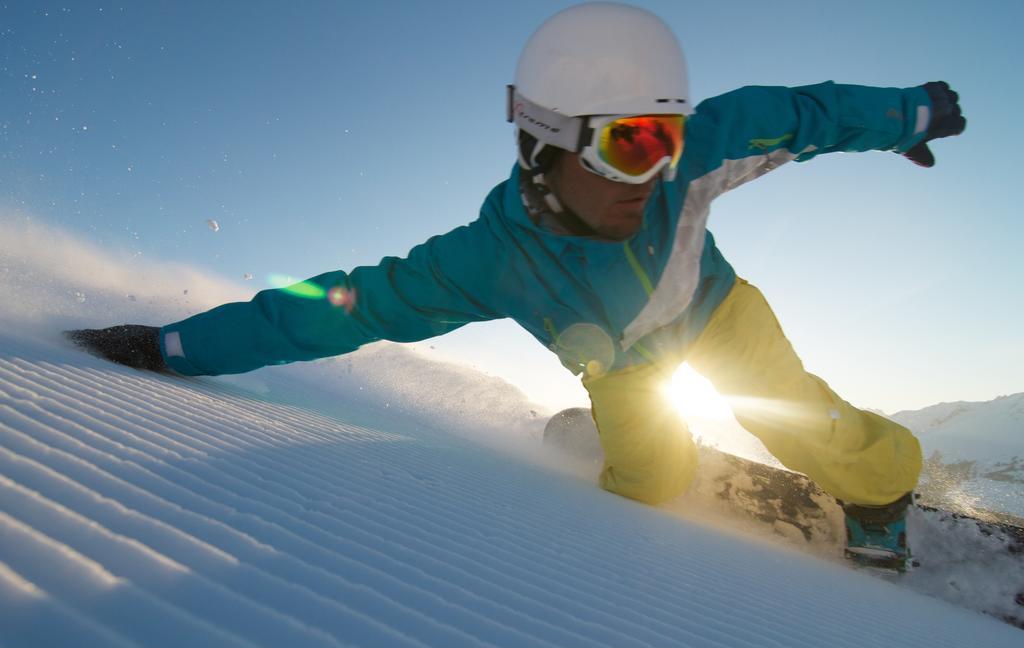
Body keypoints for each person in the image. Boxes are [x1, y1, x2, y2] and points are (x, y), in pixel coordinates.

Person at [67, 2, 965, 571]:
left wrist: (908, 115)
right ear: (544, 146)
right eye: (622, 146)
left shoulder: (693, 157)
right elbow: (344, 308)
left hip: (718, 315)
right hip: (624, 370)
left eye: (659, 141)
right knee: (651, 482)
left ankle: (882, 492)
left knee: (799, 415)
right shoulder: (485, 258)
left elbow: (798, 114)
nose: (648, 172)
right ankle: (634, 449)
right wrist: (175, 346)